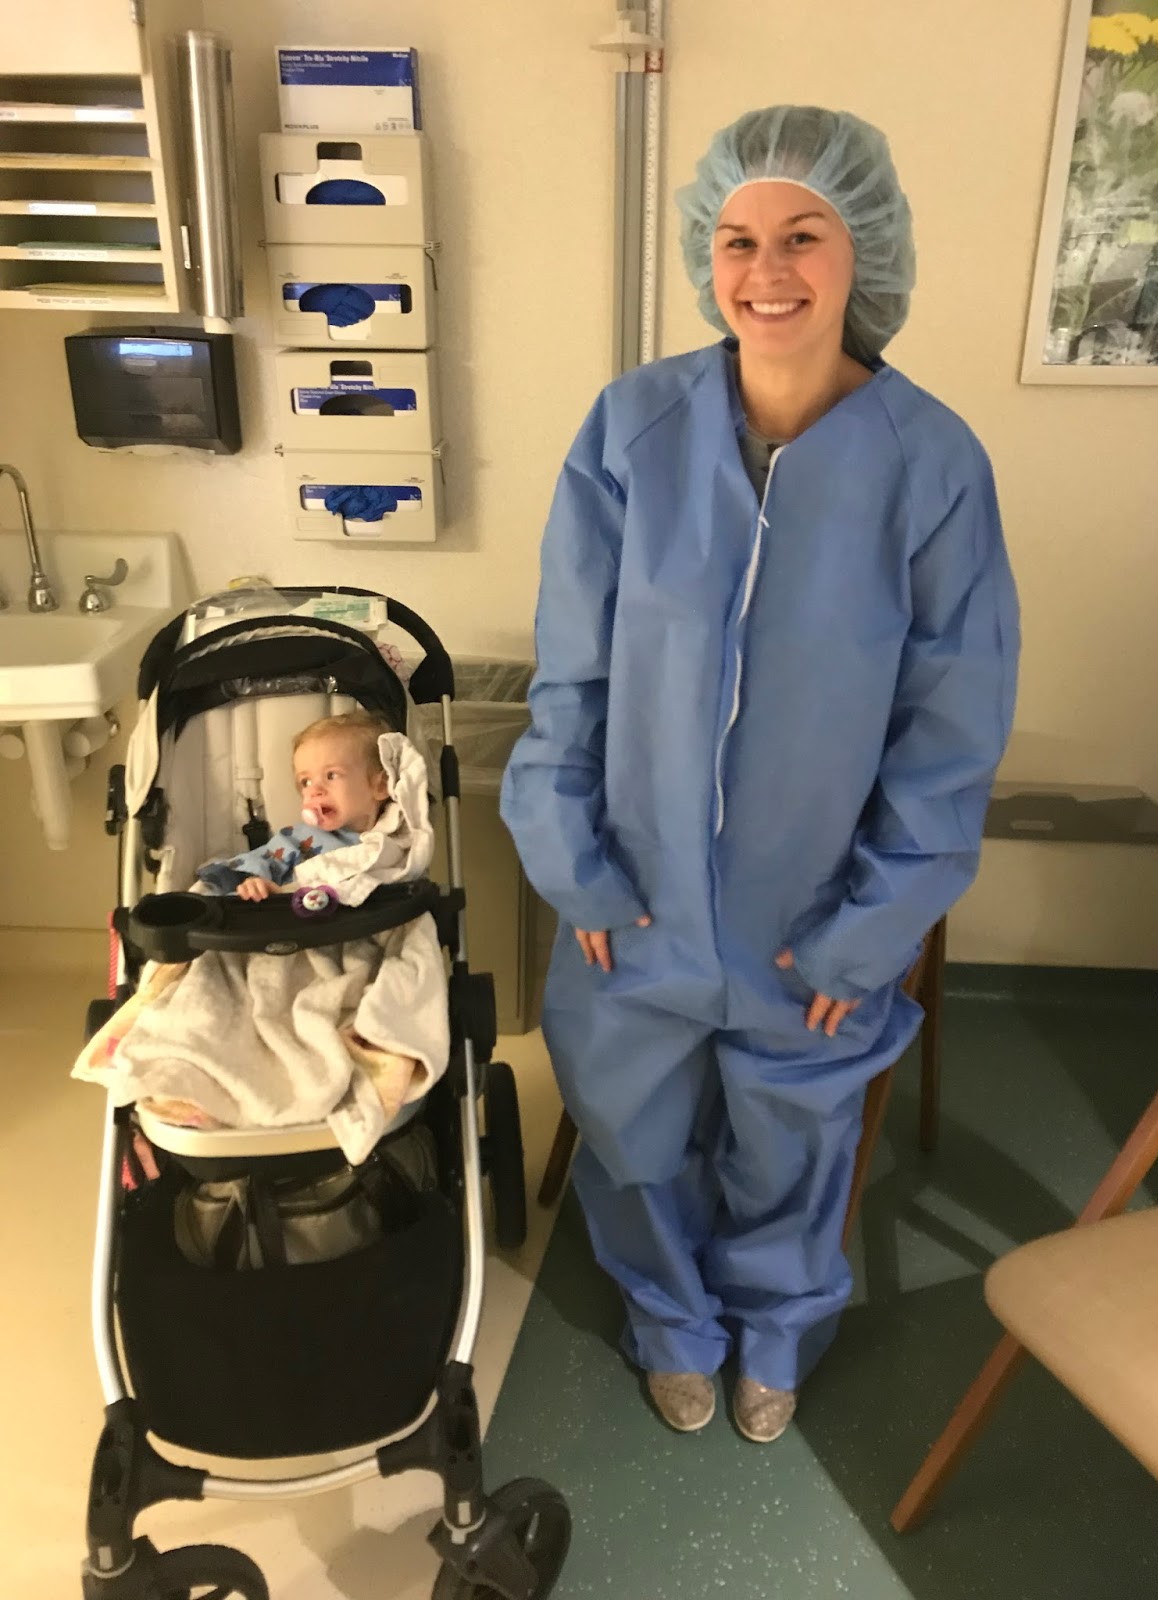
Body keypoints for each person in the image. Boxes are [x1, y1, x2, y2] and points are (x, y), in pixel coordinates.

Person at [501, 105, 1020, 1443]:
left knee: (796, 1141)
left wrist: (872, 931)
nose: (767, 270)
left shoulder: (932, 465)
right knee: (632, 1134)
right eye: (738, 239)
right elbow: (573, 677)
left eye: (804, 235)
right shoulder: (632, 430)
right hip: (636, 902)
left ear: (863, 253)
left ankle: (777, 1328)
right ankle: (672, 1322)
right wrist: (578, 871)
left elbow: (949, 731)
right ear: (706, 256)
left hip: (816, 920)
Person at [198, 710, 394, 900]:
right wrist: (254, 883)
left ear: (381, 786)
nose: (314, 790)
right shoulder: (300, 838)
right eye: (305, 782)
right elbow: (261, 862)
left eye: (331, 775)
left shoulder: (398, 840)